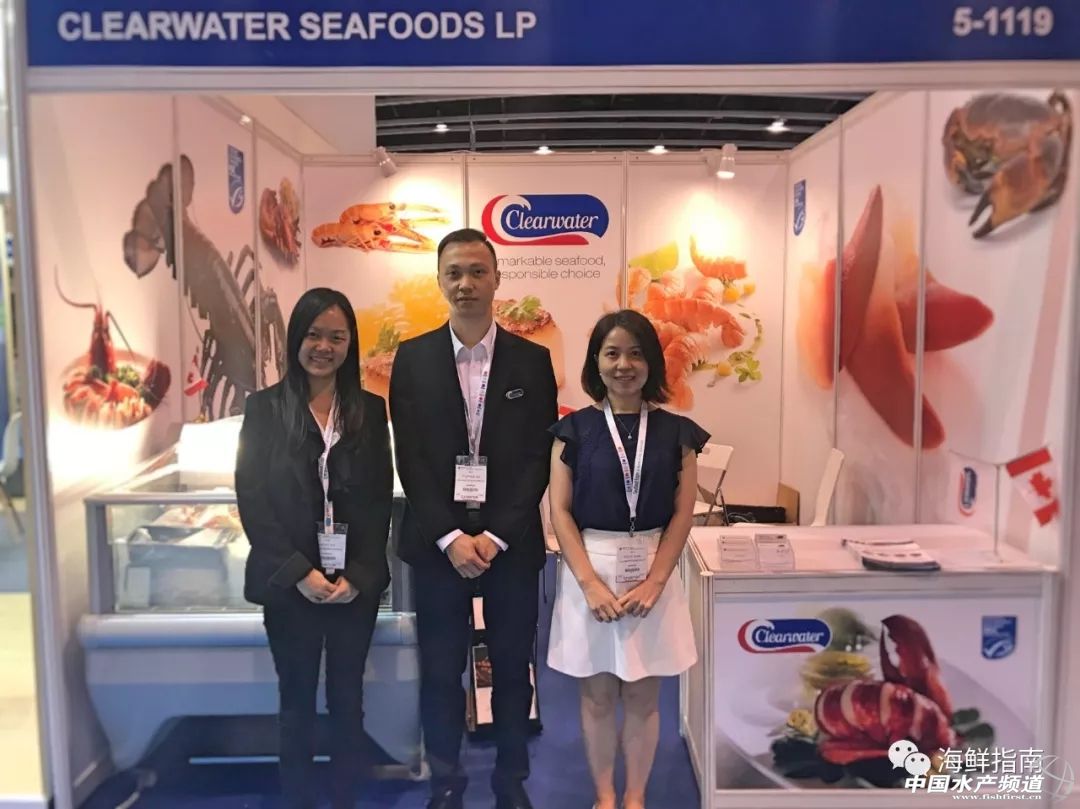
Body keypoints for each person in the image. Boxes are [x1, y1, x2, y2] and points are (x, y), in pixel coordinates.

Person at [390, 228, 558, 809]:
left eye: (477, 272)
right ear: (440, 281)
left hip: (510, 544)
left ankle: (511, 783)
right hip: (437, 546)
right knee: (440, 673)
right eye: (454, 273)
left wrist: (496, 535)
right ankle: (446, 783)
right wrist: (449, 536)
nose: (466, 284)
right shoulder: (412, 359)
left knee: (512, 670)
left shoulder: (533, 361)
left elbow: (538, 456)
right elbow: (409, 458)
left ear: (496, 279)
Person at [235, 287, 393, 809]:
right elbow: (253, 499)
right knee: (296, 703)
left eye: (337, 337)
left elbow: (378, 501)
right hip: (290, 584)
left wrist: (360, 576)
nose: (324, 347)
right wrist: (299, 571)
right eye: (313, 335)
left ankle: (346, 797)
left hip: (353, 586)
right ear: (295, 339)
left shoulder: (370, 410)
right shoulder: (263, 410)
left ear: (350, 343)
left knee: (349, 701)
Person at [546, 309, 705, 809]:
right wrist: (590, 583)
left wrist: (656, 580)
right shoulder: (573, 431)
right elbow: (559, 511)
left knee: (642, 695)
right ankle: (604, 796)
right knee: (596, 695)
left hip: (653, 569)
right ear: (596, 361)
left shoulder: (678, 433)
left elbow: (683, 513)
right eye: (612, 353)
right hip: (589, 567)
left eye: (635, 354)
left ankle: (635, 797)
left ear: (651, 362)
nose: (623, 365)